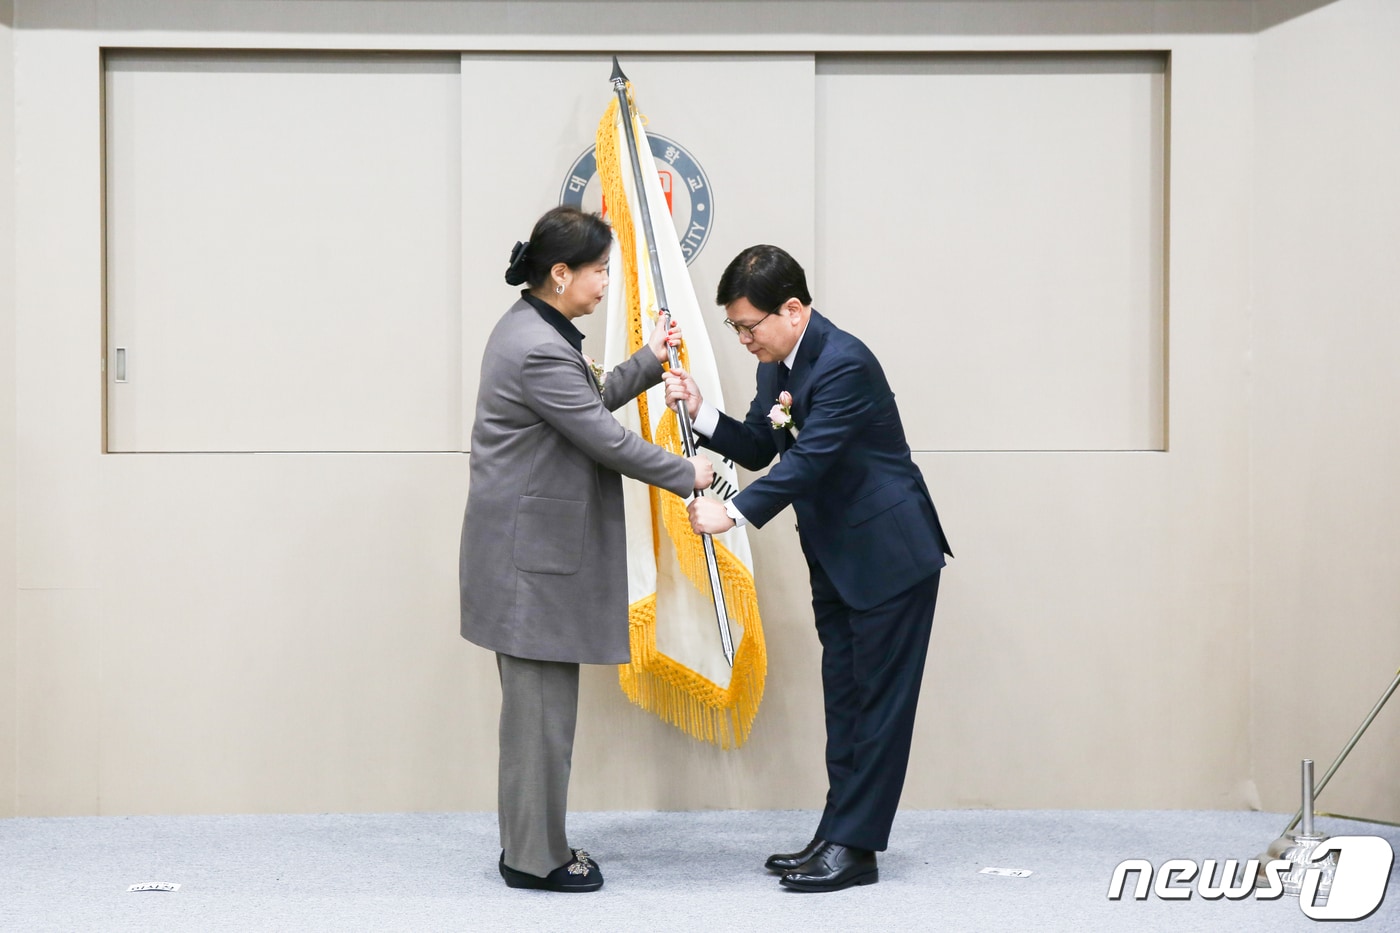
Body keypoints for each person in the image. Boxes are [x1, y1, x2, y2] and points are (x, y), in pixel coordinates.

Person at [663, 244, 952, 893]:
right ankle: (836, 834)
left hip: (890, 557)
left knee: (878, 706)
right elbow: (760, 445)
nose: (744, 340)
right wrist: (702, 411)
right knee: (846, 699)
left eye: (749, 326)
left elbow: (810, 459)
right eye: (735, 328)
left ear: (792, 309)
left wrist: (731, 513)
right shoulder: (779, 363)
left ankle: (856, 846)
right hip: (838, 557)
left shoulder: (845, 362)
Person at [459, 206, 713, 893]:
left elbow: (584, 399)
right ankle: (534, 860)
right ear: (560, 274)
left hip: (529, 555)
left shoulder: (532, 329)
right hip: (530, 564)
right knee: (539, 721)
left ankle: (530, 843)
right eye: (599, 271)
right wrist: (686, 472)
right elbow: (604, 437)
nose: (605, 283)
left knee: (538, 718)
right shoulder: (537, 346)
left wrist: (648, 361)